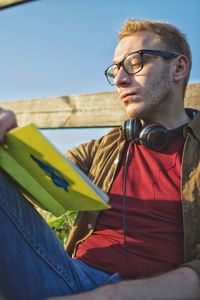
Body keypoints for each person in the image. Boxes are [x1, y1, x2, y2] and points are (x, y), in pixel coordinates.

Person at [0, 19, 200, 300]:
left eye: (135, 62)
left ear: (178, 68)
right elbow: (36, 173)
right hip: (70, 275)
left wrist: (109, 296)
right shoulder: (106, 146)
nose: (119, 80)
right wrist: (7, 138)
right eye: (116, 69)